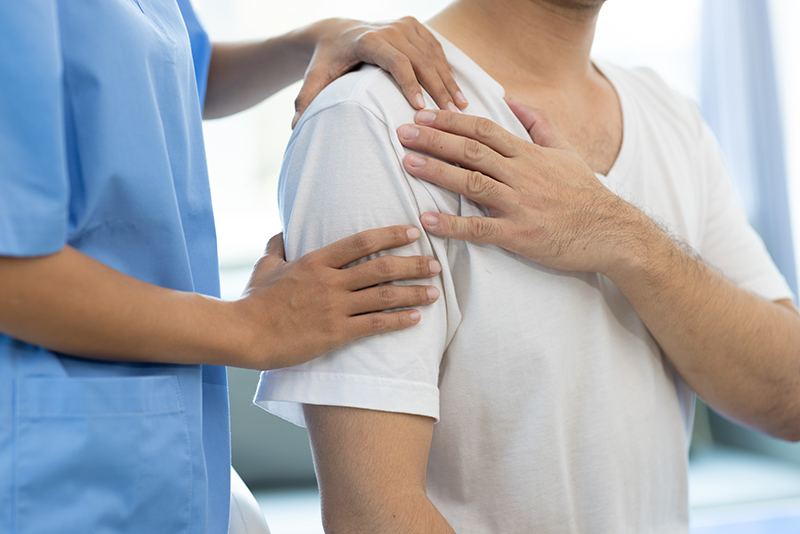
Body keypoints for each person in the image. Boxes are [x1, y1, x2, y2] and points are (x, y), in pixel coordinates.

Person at [255, 0, 800, 532]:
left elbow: (789, 399)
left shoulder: (671, 115)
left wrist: (623, 234)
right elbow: (371, 517)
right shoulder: (369, 120)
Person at [0, 0, 471, 532]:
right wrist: (249, 327)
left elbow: (177, 70)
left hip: (157, 459)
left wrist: (312, 38)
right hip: (44, 468)